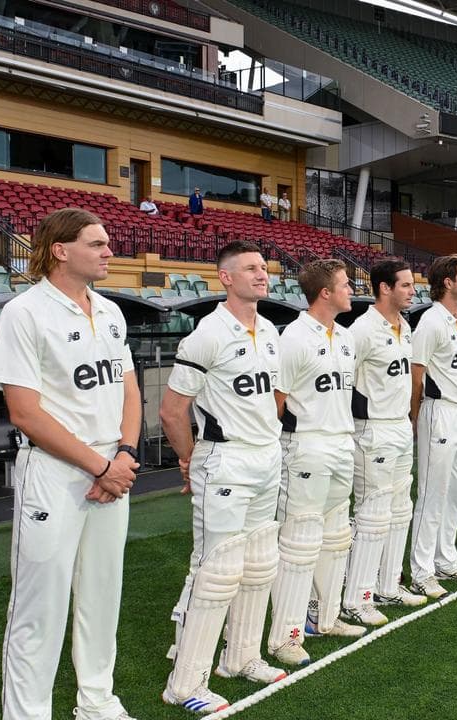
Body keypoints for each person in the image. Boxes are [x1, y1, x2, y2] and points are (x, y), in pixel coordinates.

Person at [0, 208, 141, 720]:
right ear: (60, 250)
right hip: (55, 472)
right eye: (97, 244)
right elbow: (24, 413)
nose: (109, 252)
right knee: (40, 606)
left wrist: (124, 455)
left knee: (102, 595)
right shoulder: (24, 312)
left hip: (113, 468)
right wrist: (100, 466)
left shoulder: (111, 310)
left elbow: (129, 390)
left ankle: (97, 702)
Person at [158, 240, 285, 713]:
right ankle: (185, 682)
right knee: (215, 571)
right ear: (226, 278)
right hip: (226, 460)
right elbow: (172, 411)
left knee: (258, 564)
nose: (262, 274)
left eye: (263, 266)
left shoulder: (269, 329)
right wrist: (189, 460)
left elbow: (271, 397)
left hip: (266, 457)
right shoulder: (207, 334)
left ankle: (241, 657)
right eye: (250, 268)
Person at [266, 260, 362, 667]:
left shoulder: (346, 336)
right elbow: (276, 400)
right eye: (345, 284)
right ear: (325, 292)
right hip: (306, 445)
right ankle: (286, 636)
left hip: (342, 443)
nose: (351, 290)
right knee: (299, 543)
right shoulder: (293, 337)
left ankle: (326, 616)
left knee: (336, 537)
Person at [342, 259, 425, 624]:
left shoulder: (405, 326)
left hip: (400, 427)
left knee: (400, 509)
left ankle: (387, 586)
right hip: (372, 429)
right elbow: (342, 380)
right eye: (405, 285)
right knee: (372, 513)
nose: (412, 291)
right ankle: (356, 597)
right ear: (384, 288)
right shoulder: (362, 330)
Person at [409, 255, 457, 600]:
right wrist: (414, 416)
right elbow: (416, 374)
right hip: (440, 411)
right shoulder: (430, 321)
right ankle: (421, 571)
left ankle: (446, 558)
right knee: (432, 493)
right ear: (448, 282)